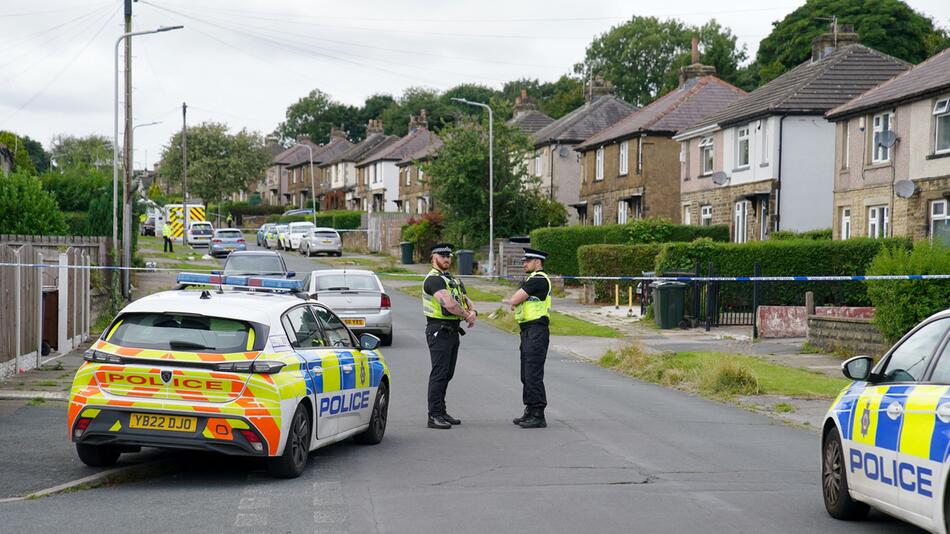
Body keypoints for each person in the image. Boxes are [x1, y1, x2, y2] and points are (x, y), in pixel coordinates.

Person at [422, 243, 477, 429]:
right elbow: (449, 304)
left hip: (452, 331)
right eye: (442, 255)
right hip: (439, 330)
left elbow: (464, 298)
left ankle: (442, 411)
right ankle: (434, 415)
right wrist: (467, 315)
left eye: (449, 256)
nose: (447, 259)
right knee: (439, 373)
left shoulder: (450, 279)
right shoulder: (434, 280)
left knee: (447, 373)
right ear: (433, 257)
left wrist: (473, 310)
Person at [507, 248, 551, 429]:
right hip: (527, 331)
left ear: (537, 262)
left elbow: (514, 299)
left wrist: (515, 299)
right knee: (526, 374)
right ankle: (530, 410)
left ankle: (538, 414)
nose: (524, 264)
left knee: (533, 374)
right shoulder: (532, 279)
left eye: (528, 260)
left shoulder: (539, 279)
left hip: (536, 331)